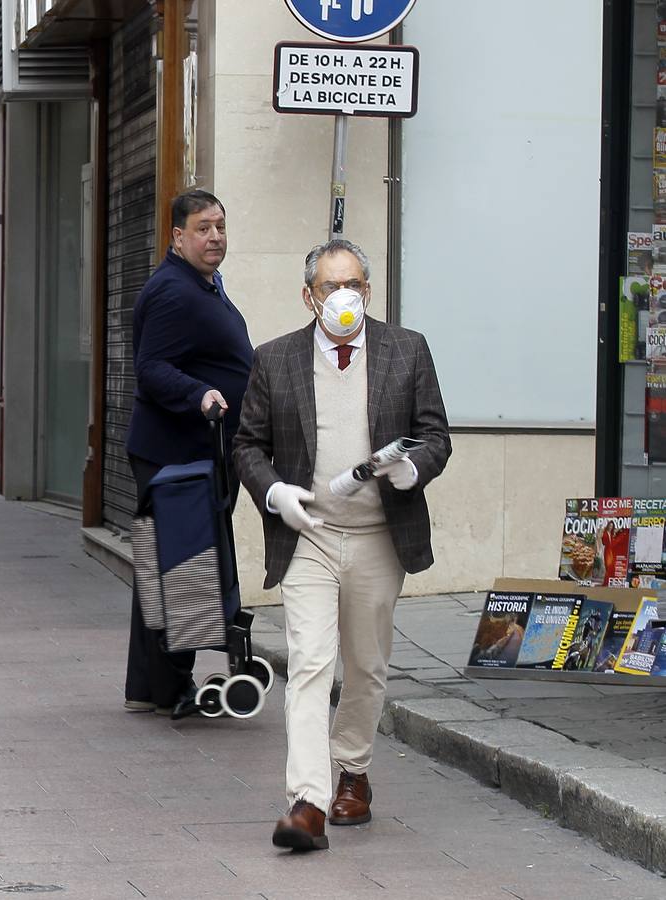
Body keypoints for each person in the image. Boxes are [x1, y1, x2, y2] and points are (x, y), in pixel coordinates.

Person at [232, 238, 451, 852]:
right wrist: (276, 494)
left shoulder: (406, 350)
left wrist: (414, 469)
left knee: (366, 665)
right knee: (307, 663)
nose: (344, 296)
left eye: (353, 284)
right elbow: (247, 444)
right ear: (309, 296)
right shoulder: (275, 360)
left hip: (381, 536)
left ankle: (353, 769)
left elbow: (435, 434)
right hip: (310, 536)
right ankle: (308, 801)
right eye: (331, 287)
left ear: (369, 291)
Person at [124, 190, 253, 719]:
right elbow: (151, 367)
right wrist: (199, 394)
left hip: (197, 453)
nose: (215, 237)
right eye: (203, 228)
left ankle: (151, 686)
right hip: (175, 454)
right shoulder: (174, 291)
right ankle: (170, 687)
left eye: (220, 226)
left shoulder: (203, 284)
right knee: (179, 568)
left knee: (168, 566)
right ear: (178, 237)